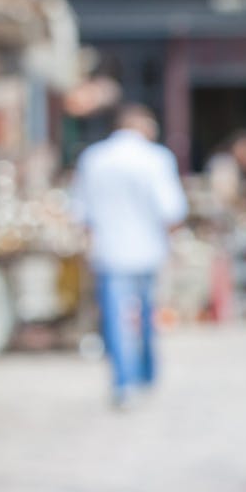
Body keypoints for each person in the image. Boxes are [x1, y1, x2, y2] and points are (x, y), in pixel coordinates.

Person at [71, 104, 187, 406]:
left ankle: (124, 381)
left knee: (115, 318)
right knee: (147, 313)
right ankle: (146, 373)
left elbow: (80, 212)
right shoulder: (156, 158)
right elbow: (172, 210)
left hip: (109, 250)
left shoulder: (94, 158)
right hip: (148, 249)